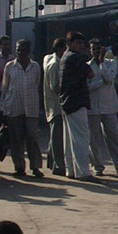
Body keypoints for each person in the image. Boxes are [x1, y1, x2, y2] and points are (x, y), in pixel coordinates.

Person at [87, 39, 118, 178]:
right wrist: (100, 83)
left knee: (114, 137)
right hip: (93, 107)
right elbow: (87, 86)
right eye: (93, 49)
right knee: (94, 140)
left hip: (109, 106)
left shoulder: (111, 63)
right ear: (90, 50)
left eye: (98, 49)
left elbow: (110, 78)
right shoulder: (86, 66)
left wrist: (102, 62)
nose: (96, 51)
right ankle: (97, 166)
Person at [0, 39, 43, 179]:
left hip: (31, 108)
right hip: (14, 108)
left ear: (29, 51)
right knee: (16, 140)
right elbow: (5, 88)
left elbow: (37, 85)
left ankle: (35, 167)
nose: (20, 52)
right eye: (18, 49)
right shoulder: (9, 67)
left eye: (23, 49)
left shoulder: (36, 67)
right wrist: (3, 109)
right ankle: (19, 167)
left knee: (33, 139)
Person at [59, 31, 95, 181]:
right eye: (78, 43)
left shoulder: (64, 57)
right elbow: (91, 73)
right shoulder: (74, 57)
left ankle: (71, 170)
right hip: (76, 101)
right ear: (70, 43)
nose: (81, 46)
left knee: (70, 139)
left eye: (82, 43)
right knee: (81, 138)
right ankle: (83, 172)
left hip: (67, 101)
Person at [43, 37, 67, 176]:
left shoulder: (49, 59)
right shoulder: (54, 64)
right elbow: (55, 87)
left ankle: (52, 162)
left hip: (54, 105)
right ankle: (58, 165)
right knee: (57, 137)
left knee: (55, 136)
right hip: (56, 105)